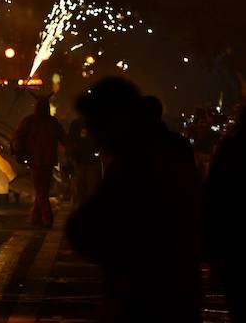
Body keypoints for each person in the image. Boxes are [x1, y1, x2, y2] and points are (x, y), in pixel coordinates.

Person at [66, 78, 202, 323]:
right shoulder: (157, 152)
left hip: (146, 298)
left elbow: (86, 229)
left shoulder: (137, 164)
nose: (93, 132)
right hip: (169, 291)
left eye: (96, 123)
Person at [205, 105, 246, 322]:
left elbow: (214, 198)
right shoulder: (229, 149)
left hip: (234, 240)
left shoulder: (229, 149)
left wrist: (213, 256)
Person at [11, 94, 65, 227]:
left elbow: (17, 138)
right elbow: (64, 139)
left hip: (36, 161)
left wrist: (19, 152)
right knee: (42, 191)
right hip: (46, 161)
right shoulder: (52, 122)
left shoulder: (29, 121)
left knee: (41, 191)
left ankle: (46, 219)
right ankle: (37, 218)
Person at [66, 117, 101, 206]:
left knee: (86, 187)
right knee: (82, 187)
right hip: (81, 161)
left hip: (89, 161)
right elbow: (71, 140)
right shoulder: (77, 124)